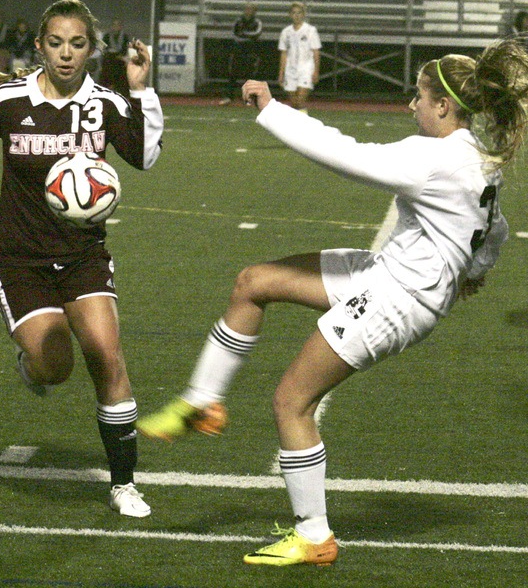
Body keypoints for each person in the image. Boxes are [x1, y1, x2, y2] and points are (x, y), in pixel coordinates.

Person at [137, 38, 528, 564]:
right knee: (254, 282)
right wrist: (475, 271)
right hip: (389, 275)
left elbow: (347, 156)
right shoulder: (477, 159)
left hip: (397, 299)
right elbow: (496, 228)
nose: (411, 105)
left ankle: (314, 537)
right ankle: (202, 402)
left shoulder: (434, 158)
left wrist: (274, 110)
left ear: (443, 106)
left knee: (290, 401)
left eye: (419, 96)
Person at [0, 0, 164, 518]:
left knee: (107, 355)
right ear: (39, 46)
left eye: (77, 44)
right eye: (56, 43)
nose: (66, 55)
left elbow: (143, 157)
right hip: (19, 257)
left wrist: (141, 90)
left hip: (83, 254)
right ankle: (34, 366)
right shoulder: (8, 97)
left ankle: (123, 483)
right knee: (55, 368)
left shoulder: (107, 102)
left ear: (92, 50)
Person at [278, 1, 321, 113]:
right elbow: (284, 53)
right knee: (294, 103)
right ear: (290, 14)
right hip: (290, 70)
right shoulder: (286, 32)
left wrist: (316, 71)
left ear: (303, 14)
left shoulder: (310, 30)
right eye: (294, 13)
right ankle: (297, 125)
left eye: (299, 13)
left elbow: (316, 51)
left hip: (306, 69)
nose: (296, 15)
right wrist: (281, 74)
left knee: (301, 100)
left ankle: (303, 128)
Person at [219, 3, 263, 106]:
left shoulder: (257, 22)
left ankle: (249, 99)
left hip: (251, 51)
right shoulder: (238, 21)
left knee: (250, 76)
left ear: (254, 11)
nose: (248, 11)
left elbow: (256, 34)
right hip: (238, 50)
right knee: (232, 74)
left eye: (250, 9)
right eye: (246, 9)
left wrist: (244, 34)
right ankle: (229, 97)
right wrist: (246, 35)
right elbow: (235, 33)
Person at [99, 18, 131, 97]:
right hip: (109, 59)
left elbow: (125, 50)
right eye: (114, 25)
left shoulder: (125, 37)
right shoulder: (106, 36)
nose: (116, 27)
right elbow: (104, 49)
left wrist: (119, 55)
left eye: (118, 25)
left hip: (120, 60)